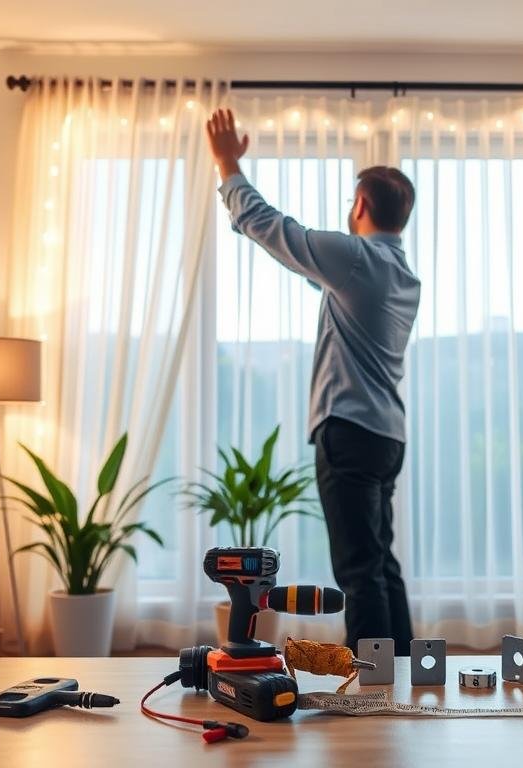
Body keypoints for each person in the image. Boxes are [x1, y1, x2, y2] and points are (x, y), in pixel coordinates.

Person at [205, 108, 420, 655]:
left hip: (347, 431)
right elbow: (317, 275)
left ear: (362, 206)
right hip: (386, 437)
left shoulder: (355, 259)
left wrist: (228, 165)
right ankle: (399, 675)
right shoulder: (399, 274)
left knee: (358, 569)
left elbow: (272, 227)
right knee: (380, 562)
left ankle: (373, 687)